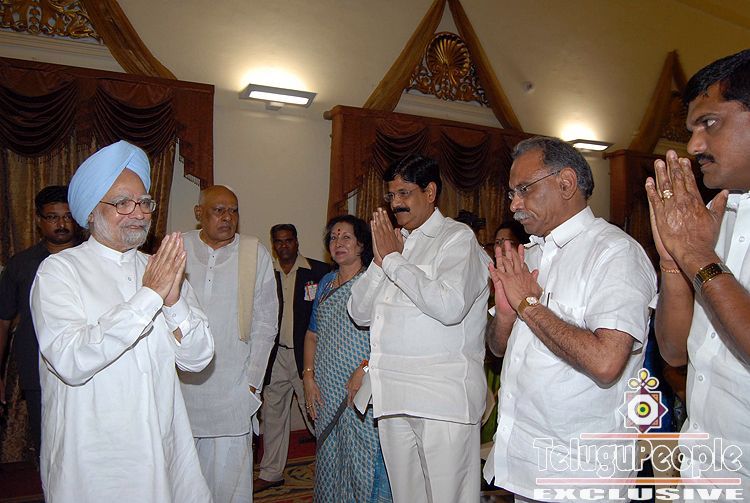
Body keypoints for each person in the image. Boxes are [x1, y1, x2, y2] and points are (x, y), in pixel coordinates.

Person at [30, 140, 215, 502]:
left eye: (144, 202)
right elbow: (70, 360)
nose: (139, 213)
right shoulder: (59, 271)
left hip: (162, 444)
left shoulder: (159, 268)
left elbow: (198, 359)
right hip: (95, 455)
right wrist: (149, 296)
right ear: (90, 213)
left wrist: (173, 301)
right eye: (123, 203)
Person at [483, 136, 656, 501]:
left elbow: (606, 362)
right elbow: (497, 349)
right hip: (522, 461)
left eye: (524, 189)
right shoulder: (528, 256)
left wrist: (529, 306)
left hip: (580, 473)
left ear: (565, 183)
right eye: (511, 193)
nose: (514, 205)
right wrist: (506, 316)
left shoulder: (615, 253)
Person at [348, 154, 490, 503]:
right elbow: (359, 313)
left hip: (442, 399)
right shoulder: (394, 242)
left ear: (430, 192)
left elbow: (449, 306)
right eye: (391, 195)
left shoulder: (456, 238)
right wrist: (381, 263)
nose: (396, 202)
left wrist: (394, 261)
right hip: (393, 394)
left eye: (404, 193)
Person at [646, 49, 750, 488]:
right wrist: (673, 264)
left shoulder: (700, 236)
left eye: (710, 123)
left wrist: (696, 256)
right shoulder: (714, 216)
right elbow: (674, 352)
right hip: (702, 464)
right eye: (691, 130)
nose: (693, 147)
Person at [179, 185, 278, 501]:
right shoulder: (177, 248)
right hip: (181, 390)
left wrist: (252, 383)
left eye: (233, 211)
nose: (227, 217)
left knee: (230, 484)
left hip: (233, 390)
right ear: (199, 213)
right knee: (183, 482)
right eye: (218, 210)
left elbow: (266, 323)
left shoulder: (253, 252)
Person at [302, 215, 391, 503]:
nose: (338, 243)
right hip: (326, 389)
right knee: (329, 458)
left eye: (346, 237)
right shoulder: (326, 283)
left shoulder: (373, 282)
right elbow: (312, 334)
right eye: (333, 238)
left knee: (362, 460)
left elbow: (387, 337)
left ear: (361, 244)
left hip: (361, 388)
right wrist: (308, 377)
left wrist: (364, 368)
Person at [0, 185, 79, 458]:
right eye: (52, 217)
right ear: (39, 220)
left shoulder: (93, 260)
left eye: (68, 216)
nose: (61, 224)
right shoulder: (21, 264)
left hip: (87, 368)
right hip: (37, 368)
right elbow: (3, 320)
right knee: (48, 447)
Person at [255, 224, 329, 493]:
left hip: (306, 358)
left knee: (315, 413)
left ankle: (329, 467)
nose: (283, 246)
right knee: (272, 415)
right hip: (276, 356)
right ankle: (271, 472)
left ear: (297, 242)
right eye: (278, 241)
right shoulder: (266, 273)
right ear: (273, 245)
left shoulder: (318, 272)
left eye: (288, 240)